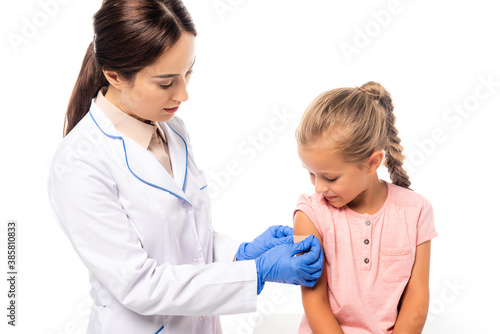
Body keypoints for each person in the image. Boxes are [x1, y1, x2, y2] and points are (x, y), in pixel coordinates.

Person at [47, 1, 323, 333]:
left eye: (187, 72)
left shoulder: (172, 129)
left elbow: (187, 243)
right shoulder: (80, 163)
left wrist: (243, 253)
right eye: (166, 83)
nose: (184, 94)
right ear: (114, 75)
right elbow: (139, 284)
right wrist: (257, 272)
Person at [293, 81, 438, 334]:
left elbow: (416, 295)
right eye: (312, 174)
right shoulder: (311, 214)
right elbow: (315, 301)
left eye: (330, 177)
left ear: (372, 163)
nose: (318, 188)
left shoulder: (415, 211)